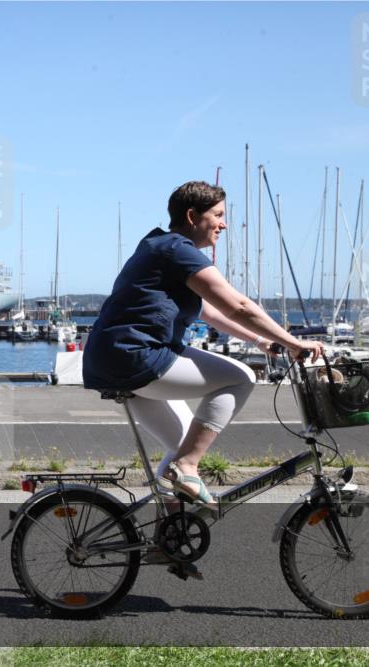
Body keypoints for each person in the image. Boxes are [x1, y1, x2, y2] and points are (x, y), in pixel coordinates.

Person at [83, 181, 323, 506]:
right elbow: (237, 306)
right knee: (241, 378)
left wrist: (260, 340)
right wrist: (294, 342)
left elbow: (208, 311)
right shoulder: (178, 251)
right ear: (193, 216)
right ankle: (187, 466)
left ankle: (166, 537)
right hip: (136, 356)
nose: (224, 224)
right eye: (219, 215)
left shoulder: (157, 245)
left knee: (184, 441)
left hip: (112, 359)